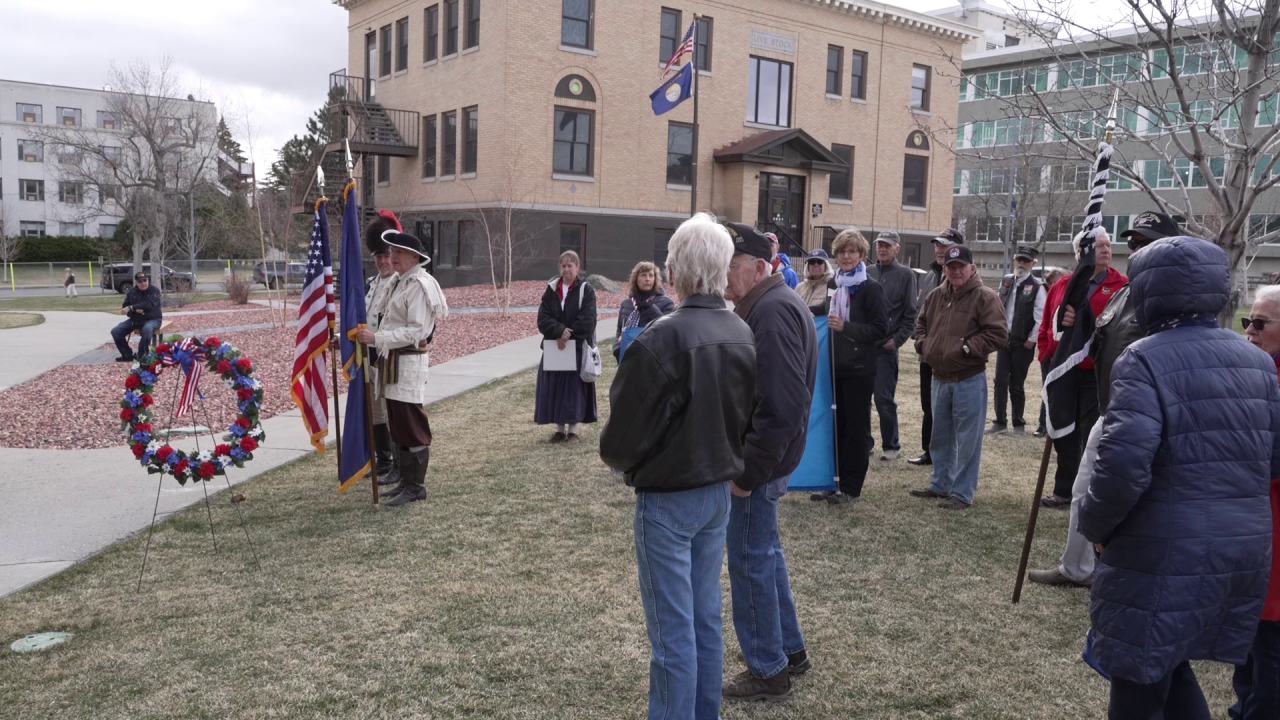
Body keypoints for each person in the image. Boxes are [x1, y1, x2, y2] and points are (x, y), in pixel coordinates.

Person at [1078, 236, 1280, 720]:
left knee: (1138, 681)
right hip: (1240, 546)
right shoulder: (1257, 361)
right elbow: (1272, 459)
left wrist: (1095, 525)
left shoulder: (1144, 357)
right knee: (1168, 664)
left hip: (1161, 545)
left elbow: (1123, 466)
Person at [599, 213, 757, 720]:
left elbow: (619, 440)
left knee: (674, 632)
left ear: (674, 269)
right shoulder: (738, 328)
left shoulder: (661, 338)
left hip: (672, 496)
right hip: (715, 491)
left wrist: (632, 464)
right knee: (703, 620)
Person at [1028, 212, 1179, 588]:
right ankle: (1076, 568)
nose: (1136, 250)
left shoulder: (1175, 298)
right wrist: (1076, 326)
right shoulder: (1128, 292)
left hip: (1150, 417)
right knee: (1084, 491)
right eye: (1134, 243)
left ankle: (1129, 574)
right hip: (1112, 407)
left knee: (1135, 500)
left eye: (1147, 243)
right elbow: (1099, 338)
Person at [719, 221, 818, 702]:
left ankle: (767, 670)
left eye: (732, 269)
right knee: (765, 555)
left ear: (760, 267)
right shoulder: (771, 303)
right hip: (770, 460)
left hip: (761, 464)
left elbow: (781, 405)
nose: (724, 279)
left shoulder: (772, 311)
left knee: (750, 560)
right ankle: (789, 651)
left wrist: (747, 474)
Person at [354, 230, 448, 506]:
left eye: (398, 253)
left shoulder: (419, 284)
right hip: (392, 361)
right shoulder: (399, 282)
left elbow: (417, 331)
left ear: (414, 257)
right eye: (391, 252)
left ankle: (416, 487)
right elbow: (386, 322)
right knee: (397, 425)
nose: (392, 257)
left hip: (407, 363)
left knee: (410, 425)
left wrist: (377, 339)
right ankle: (406, 482)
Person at [909, 244, 1007, 509]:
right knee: (940, 436)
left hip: (968, 379)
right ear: (945, 269)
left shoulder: (984, 296)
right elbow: (921, 324)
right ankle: (940, 485)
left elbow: (998, 333)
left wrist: (966, 348)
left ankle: (962, 493)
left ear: (972, 268)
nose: (955, 272)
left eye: (960, 267)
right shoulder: (936, 295)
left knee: (967, 441)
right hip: (939, 377)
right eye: (950, 267)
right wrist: (923, 345)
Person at [1037, 231, 1127, 508]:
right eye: (1098, 245)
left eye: (1108, 245)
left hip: (1095, 371)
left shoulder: (1122, 285)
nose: (1105, 250)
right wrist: (1046, 356)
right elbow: (1045, 326)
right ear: (1080, 252)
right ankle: (1064, 490)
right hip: (1062, 369)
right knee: (1062, 429)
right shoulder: (1062, 285)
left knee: (1091, 433)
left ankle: (1089, 493)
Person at [811, 229, 888, 504]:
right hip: (833, 367)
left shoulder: (871, 288)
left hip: (859, 370)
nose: (846, 256)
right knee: (834, 427)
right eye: (842, 251)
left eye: (852, 251)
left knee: (855, 429)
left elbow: (881, 328)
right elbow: (824, 309)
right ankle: (832, 482)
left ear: (862, 255)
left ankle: (851, 488)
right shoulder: (834, 284)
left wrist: (847, 328)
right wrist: (802, 310)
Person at [1234, 284, 1280, 719]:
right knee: (1249, 653)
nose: (1249, 330)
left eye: (1260, 323)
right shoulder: (1262, 376)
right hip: (1257, 540)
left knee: (1270, 659)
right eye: (1248, 320)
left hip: (1275, 548)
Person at [909, 228, 964, 466]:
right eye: (937, 245)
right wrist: (921, 342)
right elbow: (922, 313)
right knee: (928, 405)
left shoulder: (964, 278)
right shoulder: (932, 275)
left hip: (952, 357)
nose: (939, 250)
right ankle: (929, 451)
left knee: (948, 409)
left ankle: (946, 455)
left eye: (945, 245)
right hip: (929, 354)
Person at [535, 250, 598, 442]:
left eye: (570, 265)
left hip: (576, 347)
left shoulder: (586, 290)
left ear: (577, 267)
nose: (566, 269)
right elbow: (543, 318)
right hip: (555, 346)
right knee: (554, 386)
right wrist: (558, 331)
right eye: (563, 265)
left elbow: (588, 320)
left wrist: (567, 335)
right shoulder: (552, 289)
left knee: (573, 389)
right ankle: (559, 429)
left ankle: (573, 430)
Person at [866, 230, 918, 461]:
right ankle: (864, 443)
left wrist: (897, 340)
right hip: (863, 346)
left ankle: (891, 446)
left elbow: (910, 314)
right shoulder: (867, 272)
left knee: (883, 399)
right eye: (879, 245)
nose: (882, 249)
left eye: (887, 245)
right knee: (861, 398)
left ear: (897, 248)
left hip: (885, 349)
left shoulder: (906, 275)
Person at [987, 245, 1046, 435]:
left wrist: (1032, 340)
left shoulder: (1037, 287)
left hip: (1023, 342)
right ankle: (999, 421)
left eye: (1026, 261)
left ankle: (1018, 423)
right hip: (1004, 340)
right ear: (1014, 260)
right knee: (1000, 382)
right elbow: (997, 308)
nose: (1022, 263)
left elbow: (1040, 316)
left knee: (1017, 384)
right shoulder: (1005, 281)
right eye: (1019, 259)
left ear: (1033, 263)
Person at [364, 210, 402, 487]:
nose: (382, 261)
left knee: (393, 414)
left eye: (387, 255)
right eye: (378, 256)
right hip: (369, 356)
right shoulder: (370, 286)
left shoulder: (402, 285)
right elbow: (364, 321)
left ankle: (400, 465)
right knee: (375, 412)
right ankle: (384, 460)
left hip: (391, 356)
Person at [1033, 267, 1069, 437]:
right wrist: (1044, 353)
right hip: (1050, 355)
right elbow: (1044, 325)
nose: (1055, 287)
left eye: (1057, 283)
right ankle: (1043, 424)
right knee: (1047, 389)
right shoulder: (1050, 298)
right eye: (1051, 285)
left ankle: (1057, 425)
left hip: (1067, 354)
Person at [613, 261, 674, 359]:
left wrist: (651, 309)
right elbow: (619, 330)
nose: (647, 279)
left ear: (655, 279)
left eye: (651, 275)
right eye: (643, 275)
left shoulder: (666, 303)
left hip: (653, 357)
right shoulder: (627, 303)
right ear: (636, 279)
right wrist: (617, 348)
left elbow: (666, 330)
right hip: (627, 356)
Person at [110, 272, 163, 362]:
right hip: (135, 319)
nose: (143, 283)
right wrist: (134, 310)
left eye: (144, 280)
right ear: (136, 283)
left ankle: (142, 355)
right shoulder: (132, 292)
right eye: (140, 282)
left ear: (148, 280)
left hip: (152, 319)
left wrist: (132, 307)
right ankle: (127, 355)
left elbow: (149, 305)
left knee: (147, 329)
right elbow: (125, 307)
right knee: (116, 331)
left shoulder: (154, 291)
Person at [795, 249, 832, 314]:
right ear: (808, 266)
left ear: (826, 265)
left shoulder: (831, 286)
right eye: (812, 262)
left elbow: (830, 308)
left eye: (819, 262)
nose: (816, 265)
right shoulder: (799, 287)